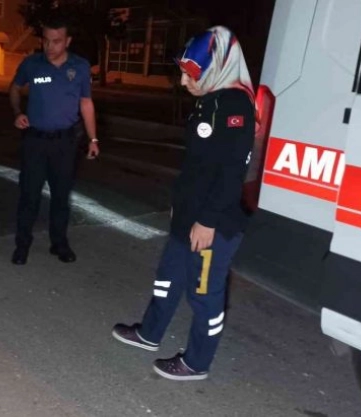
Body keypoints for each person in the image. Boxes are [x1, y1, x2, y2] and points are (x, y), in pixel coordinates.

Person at [112, 26, 256, 381]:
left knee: (204, 296)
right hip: (189, 215)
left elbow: (231, 172)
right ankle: (149, 334)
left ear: (218, 67)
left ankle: (196, 363)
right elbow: (198, 166)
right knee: (167, 278)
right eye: (184, 71)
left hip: (213, 223)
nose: (183, 81)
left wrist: (208, 221)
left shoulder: (234, 105)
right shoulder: (210, 100)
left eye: (192, 74)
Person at [8, 13, 100, 266]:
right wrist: (17, 112)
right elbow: (15, 88)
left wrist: (93, 139)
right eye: (46, 40)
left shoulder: (80, 67)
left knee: (61, 196)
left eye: (56, 41)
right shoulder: (32, 64)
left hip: (65, 143)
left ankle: (59, 243)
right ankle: (22, 245)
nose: (50, 46)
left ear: (67, 41)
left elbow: (86, 103)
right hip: (35, 142)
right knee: (29, 195)